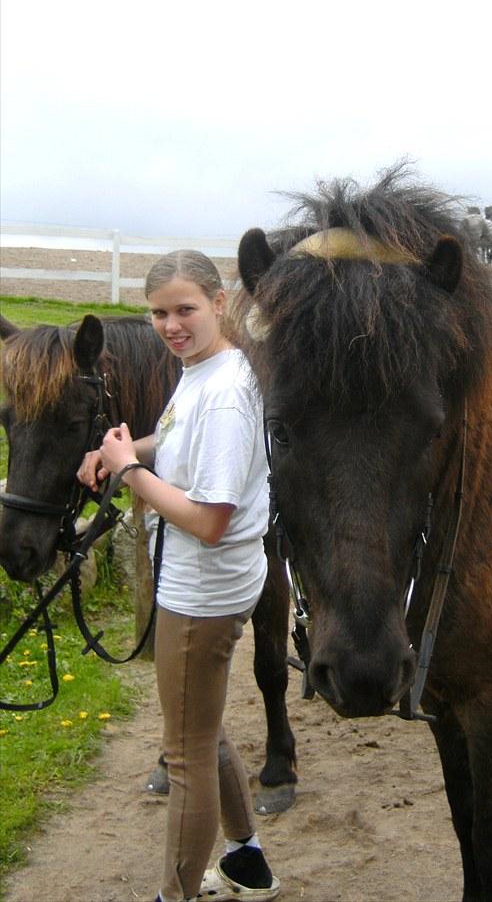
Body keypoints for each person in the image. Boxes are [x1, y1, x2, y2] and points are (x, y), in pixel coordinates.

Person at [77, 250, 280, 902]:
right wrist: (121, 452)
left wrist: (131, 475)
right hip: (208, 585)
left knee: (186, 755)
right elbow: (170, 437)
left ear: (220, 304)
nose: (171, 324)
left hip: (203, 593)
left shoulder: (223, 395)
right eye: (159, 312)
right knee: (198, 722)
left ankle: (175, 894)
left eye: (185, 309)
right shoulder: (205, 369)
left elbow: (211, 520)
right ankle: (247, 861)